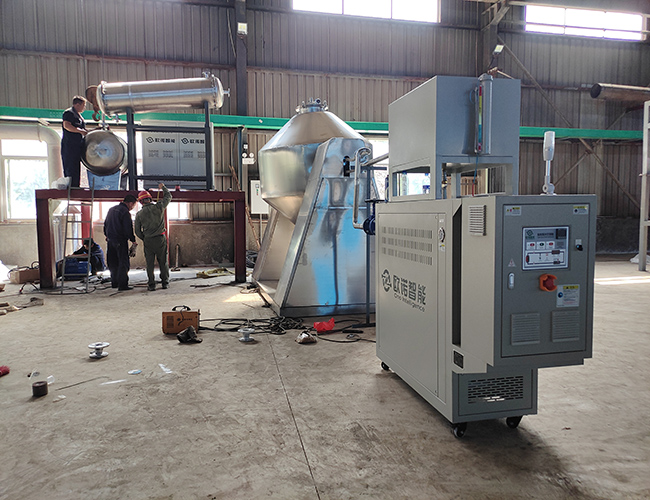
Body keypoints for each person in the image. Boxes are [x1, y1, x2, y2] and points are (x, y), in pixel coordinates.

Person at [134, 183, 172, 291]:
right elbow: (169, 196)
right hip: (160, 239)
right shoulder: (159, 207)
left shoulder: (139, 214)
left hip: (148, 240)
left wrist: (145, 238)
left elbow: (137, 231)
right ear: (150, 199)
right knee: (163, 262)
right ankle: (165, 283)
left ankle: (151, 284)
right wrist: (163, 187)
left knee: (149, 263)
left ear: (141, 202)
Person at [104, 194, 137, 290]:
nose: (132, 207)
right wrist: (133, 239)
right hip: (120, 241)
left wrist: (107, 235)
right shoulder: (125, 212)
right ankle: (122, 285)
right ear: (130, 203)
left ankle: (115, 283)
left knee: (113, 262)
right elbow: (128, 228)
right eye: (133, 205)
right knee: (123, 262)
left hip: (110, 241)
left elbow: (106, 224)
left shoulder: (111, 210)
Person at [61, 96, 89, 188]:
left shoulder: (79, 116)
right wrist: (80, 131)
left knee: (76, 167)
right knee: (70, 167)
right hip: (70, 146)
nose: (84, 108)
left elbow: (84, 130)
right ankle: (71, 186)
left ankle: (76, 185)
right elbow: (67, 126)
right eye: (83, 105)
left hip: (77, 146)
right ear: (77, 105)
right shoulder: (69, 113)